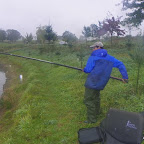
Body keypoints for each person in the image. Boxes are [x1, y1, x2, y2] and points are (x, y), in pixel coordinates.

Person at [82, 41, 128, 123]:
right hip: (101, 82)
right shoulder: (110, 58)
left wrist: (84, 70)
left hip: (92, 81)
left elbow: (88, 70)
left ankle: (91, 119)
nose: (92, 49)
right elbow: (121, 64)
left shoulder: (93, 56)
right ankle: (97, 112)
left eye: (94, 47)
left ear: (98, 47)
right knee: (96, 97)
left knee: (88, 100)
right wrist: (125, 77)